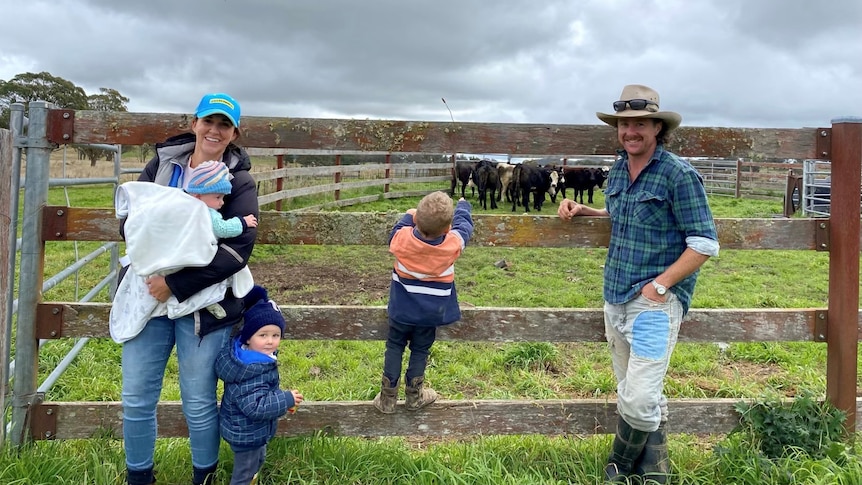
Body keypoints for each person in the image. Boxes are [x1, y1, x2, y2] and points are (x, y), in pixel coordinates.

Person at [557, 84, 719, 484]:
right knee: (636, 389)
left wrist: (661, 287)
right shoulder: (617, 169)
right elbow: (621, 213)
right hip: (615, 294)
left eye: (640, 124)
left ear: (657, 129)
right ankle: (654, 470)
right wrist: (586, 210)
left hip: (653, 303)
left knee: (639, 395)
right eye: (624, 124)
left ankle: (619, 465)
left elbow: (704, 243)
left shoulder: (677, 175)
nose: (631, 131)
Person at [120, 92, 259, 485]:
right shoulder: (163, 165)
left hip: (203, 305)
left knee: (197, 401)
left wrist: (174, 283)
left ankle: (205, 477)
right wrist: (159, 261)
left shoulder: (239, 180)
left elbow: (237, 249)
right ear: (195, 122)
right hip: (148, 296)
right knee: (136, 398)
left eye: (224, 125)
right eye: (208, 121)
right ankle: (139, 476)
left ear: (234, 132)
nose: (214, 130)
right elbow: (132, 221)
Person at [372, 191, 474, 413]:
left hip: (400, 310)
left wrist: (410, 215)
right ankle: (414, 395)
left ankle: (387, 398)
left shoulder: (401, 239)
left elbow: (397, 228)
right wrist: (463, 207)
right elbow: (464, 227)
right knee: (420, 350)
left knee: (394, 346)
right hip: (430, 314)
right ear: (447, 229)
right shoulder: (452, 245)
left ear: (416, 219)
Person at [215, 285, 303, 485]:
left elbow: (261, 394)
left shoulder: (253, 357)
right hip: (247, 434)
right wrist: (285, 398)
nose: (270, 341)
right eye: (263, 335)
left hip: (249, 430)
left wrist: (281, 401)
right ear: (248, 337)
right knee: (244, 475)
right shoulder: (251, 367)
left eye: (275, 335)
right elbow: (256, 406)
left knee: (255, 465)